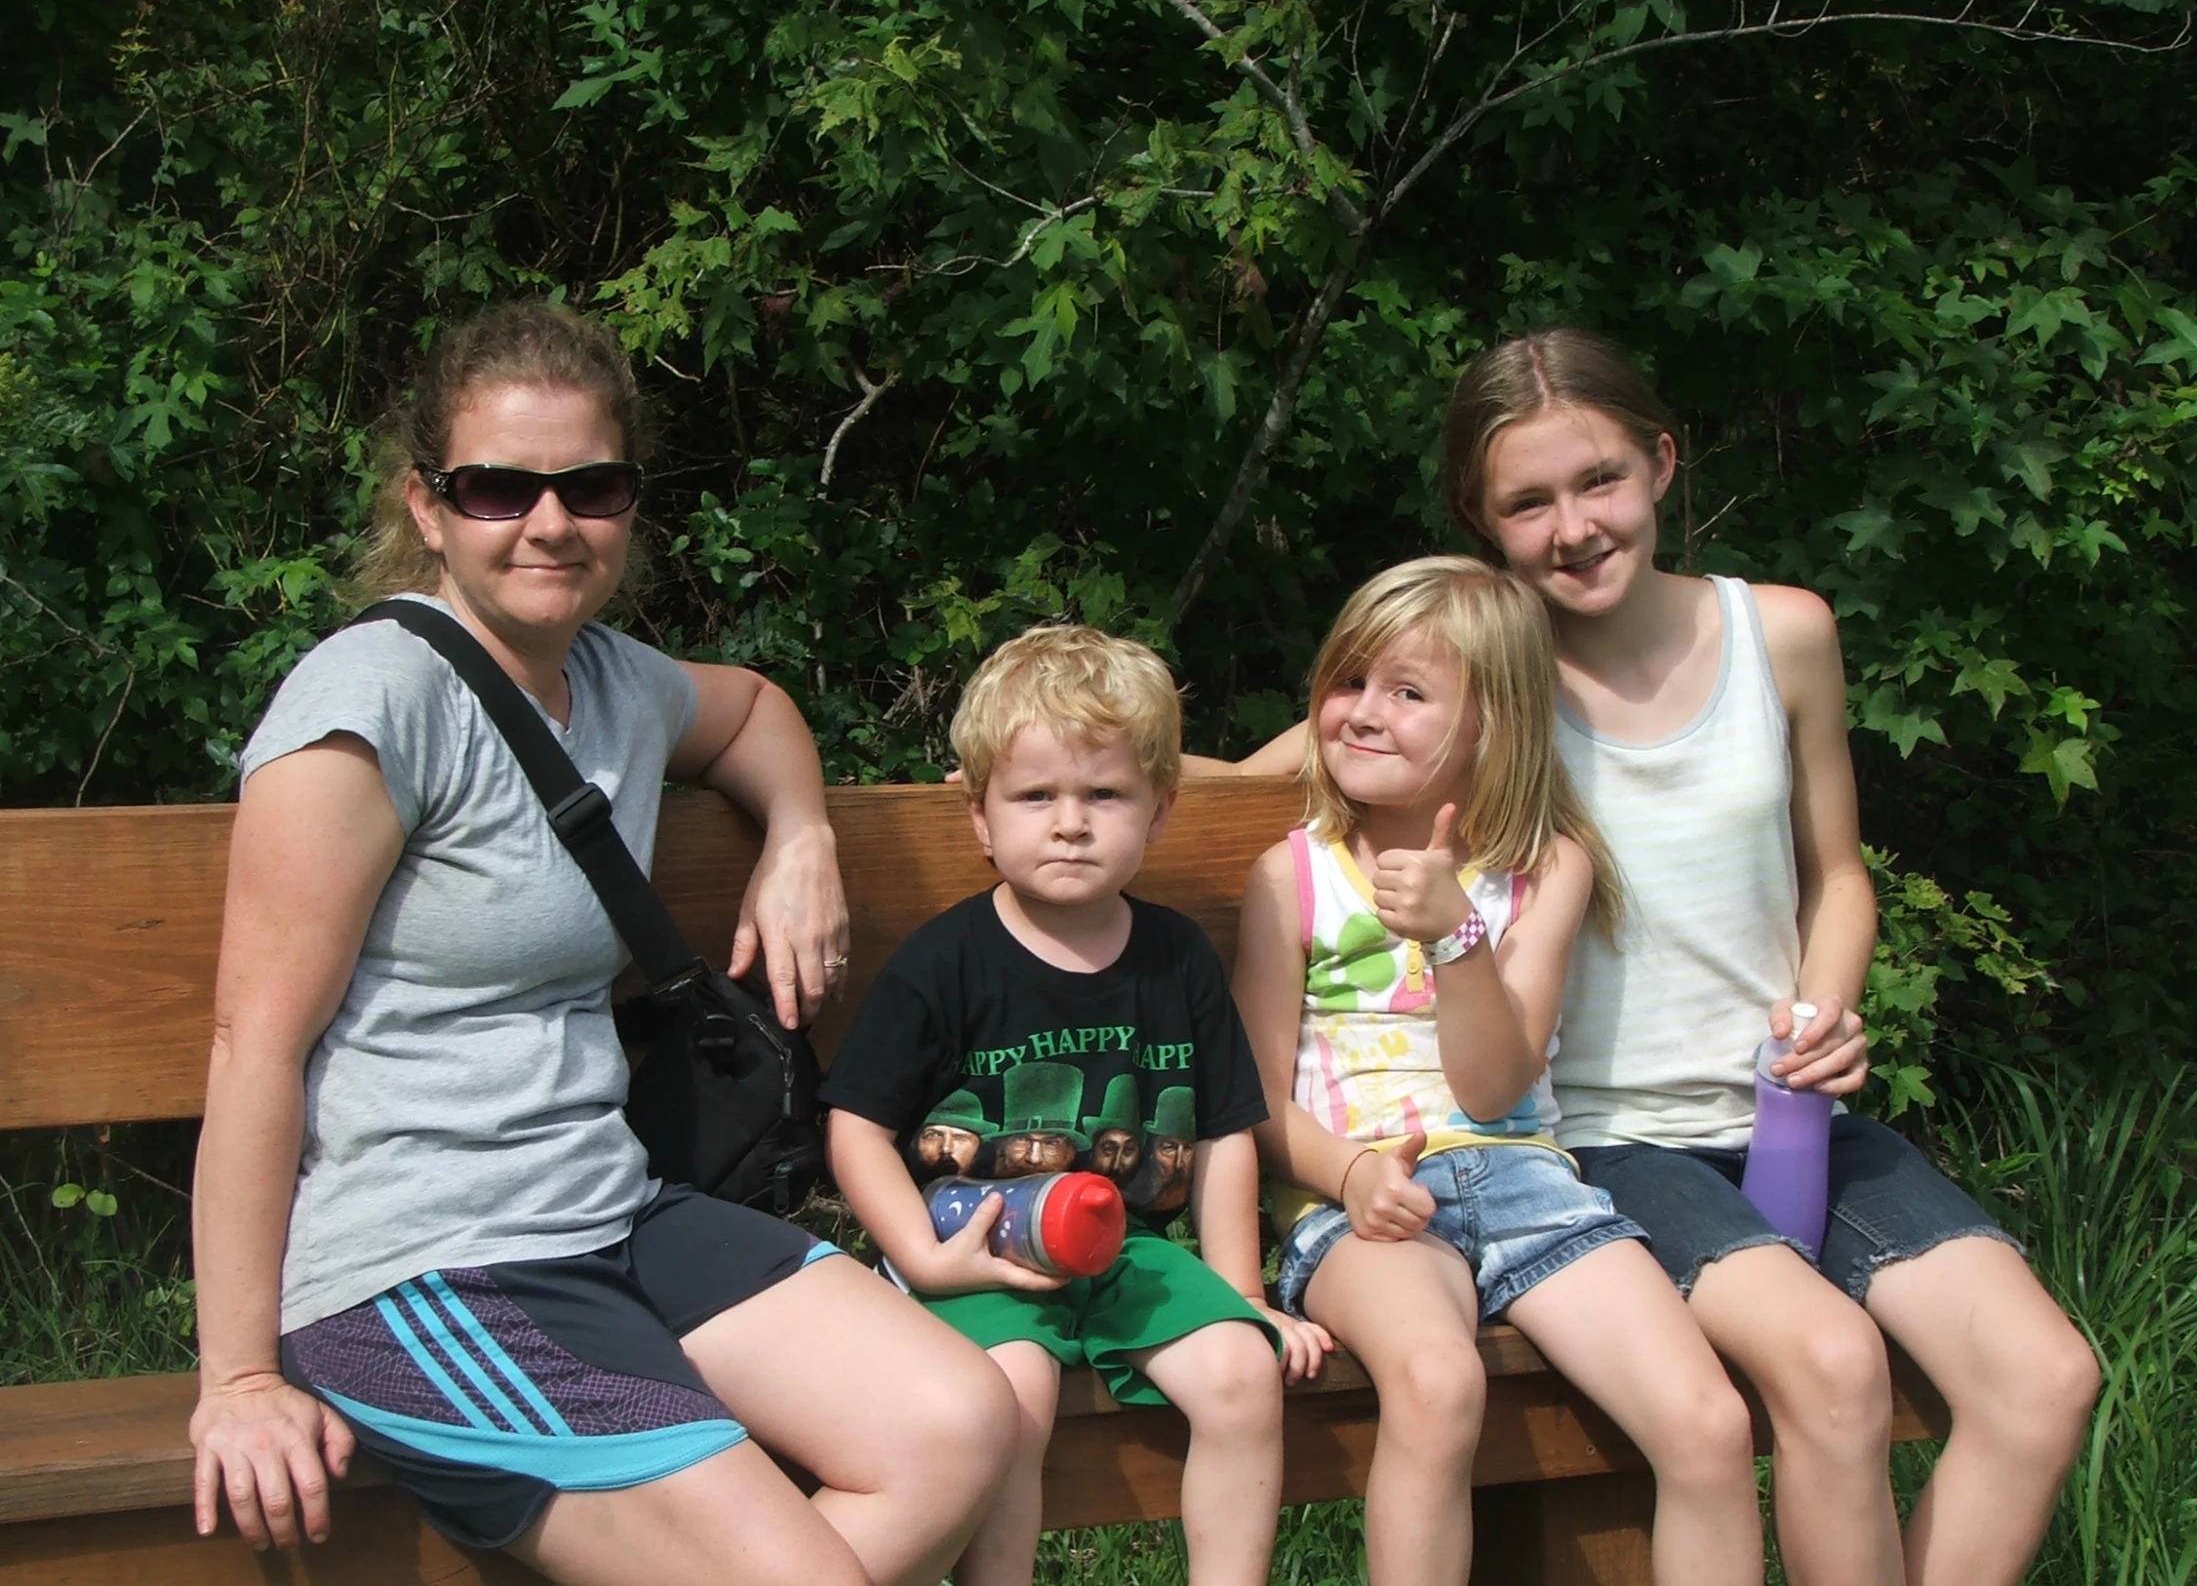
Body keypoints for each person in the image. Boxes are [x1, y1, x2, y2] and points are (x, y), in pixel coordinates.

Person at [1240, 328, 2101, 1586]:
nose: (1572, 527)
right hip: (1603, 1143)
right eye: (1525, 503)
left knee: (2045, 1376)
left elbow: (1837, 878)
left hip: (1782, 1112)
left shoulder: (1783, 636)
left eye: (1597, 481)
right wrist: (1065, 773)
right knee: (1830, 1363)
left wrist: (1827, 1008)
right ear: (1484, 526)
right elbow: (1308, 756)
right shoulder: (1490, 684)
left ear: (1660, 462)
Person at [188, 303, 1016, 1586]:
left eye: (591, 485)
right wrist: (237, 1375)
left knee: (961, 1422)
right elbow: (253, 1044)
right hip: (428, 1268)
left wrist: (799, 836)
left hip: (609, 1211)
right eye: (497, 488)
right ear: (427, 505)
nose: (549, 520)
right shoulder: (372, 701)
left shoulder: (616, 681)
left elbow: (752, 709)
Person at [1230, 556, 1761, 1586]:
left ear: (1493, 727)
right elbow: (1249, 1096)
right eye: (1348, 682)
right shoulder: (1289, 873)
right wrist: (1345, 1176)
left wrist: (1453, 938)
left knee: (1704, 1422)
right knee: (1437, 1384)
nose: (1363, 713)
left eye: (1408, 692)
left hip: (1525, 1181)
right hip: (1358, 1195)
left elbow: (1489, 1088)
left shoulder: (1545, 867)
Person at [822, 623, 1328, 1586]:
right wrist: (924, 1261)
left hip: (1122, 1250)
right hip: (976, 1249)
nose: (1070, 822)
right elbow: (856, 1128)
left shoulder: (1176, 958)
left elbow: (1224, 1133)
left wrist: (1246, 1297)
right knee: (1013, 1398)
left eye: (1105, 794)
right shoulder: (946, 963)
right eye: (1035, 796)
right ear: (980, 816)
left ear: (1160, 809)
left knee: (1241, 1374)